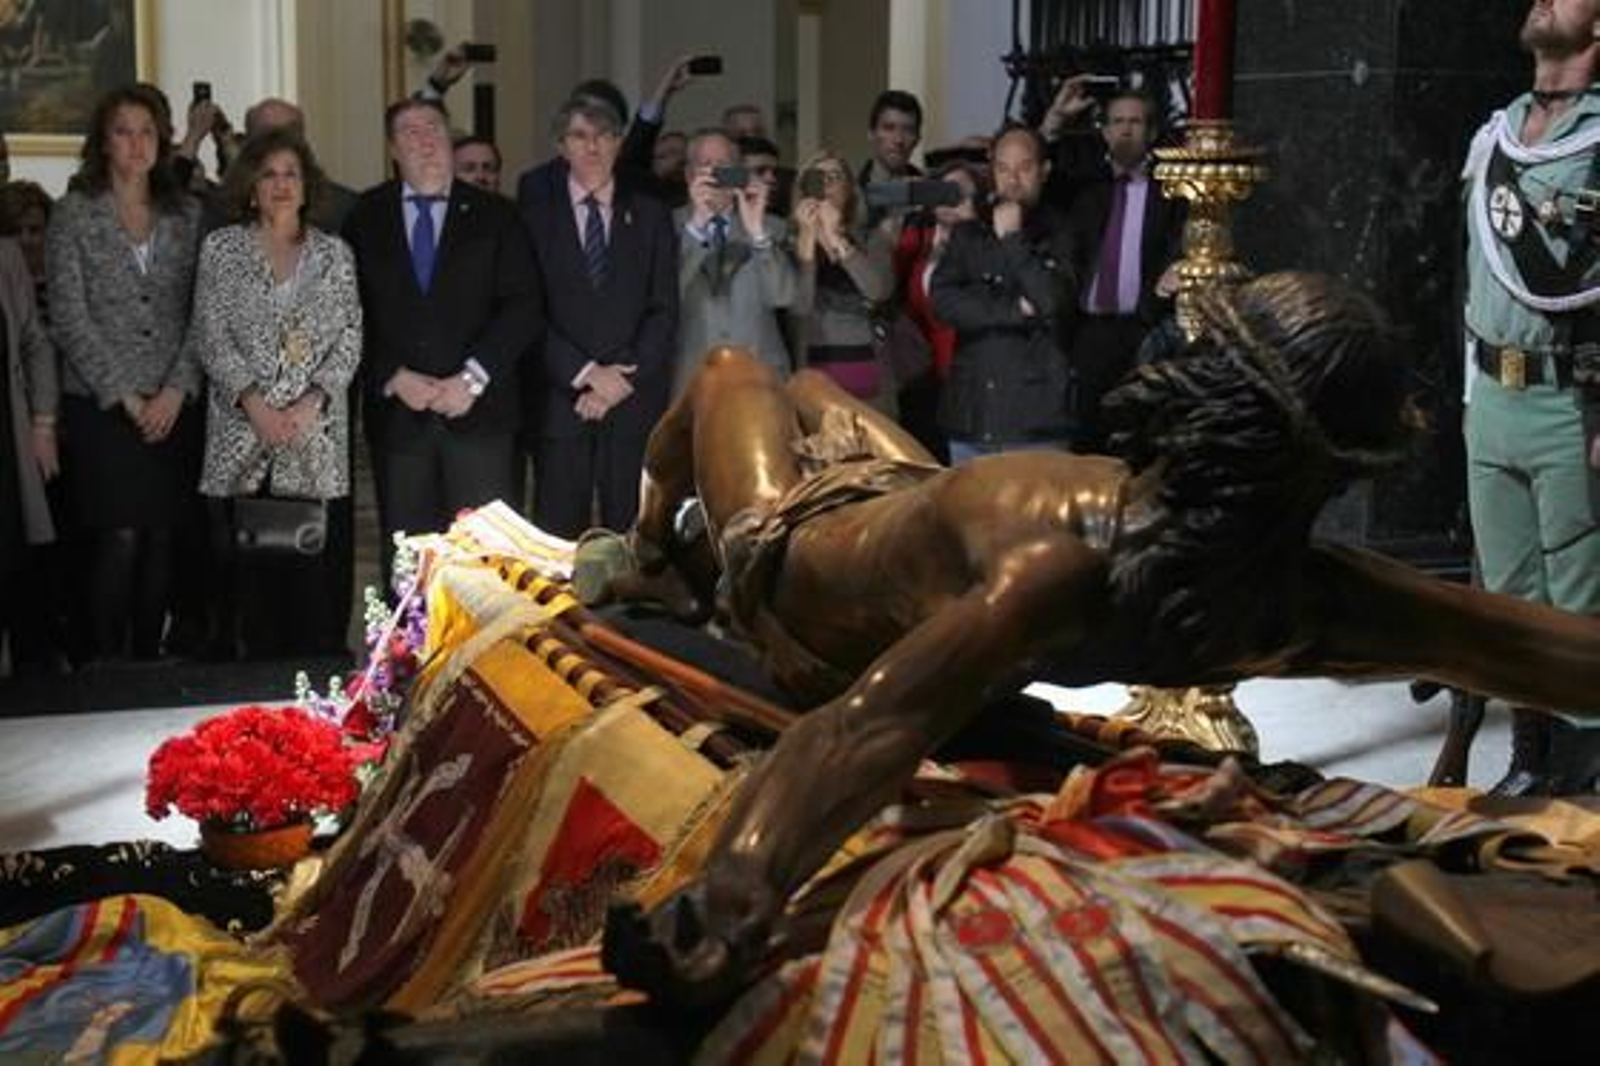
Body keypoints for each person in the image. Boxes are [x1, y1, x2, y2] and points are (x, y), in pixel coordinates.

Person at [592, 271, 1600, 1005]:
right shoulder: (1307, 600)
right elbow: (1534, 647)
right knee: (812, 396)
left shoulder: (1060, 565)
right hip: (883, 531)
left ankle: (646, 545)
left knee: (734, 370)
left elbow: (861, 730)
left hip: (799, 591)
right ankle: (653, 552)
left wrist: (725, 908)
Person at [1461, 0, 1600, 796]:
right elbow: (1471, 272)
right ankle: (1530, 757)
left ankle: (1585, 770)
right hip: (1497, 393)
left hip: (1570, 403)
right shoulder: (1499, 131)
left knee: (1578, 598)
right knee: (1510, 596)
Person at [344, 98, 538, 588]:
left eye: (433, 128)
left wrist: (471, 378)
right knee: (409, 565)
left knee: (486, 565)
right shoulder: (365, 217)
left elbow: (523, 306)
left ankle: (487, 664)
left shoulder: (498, 216)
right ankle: (410, 663)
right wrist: (391, 373)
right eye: (410, 132)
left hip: (480, 415)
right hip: (400, 419)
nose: (425, 140)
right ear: (392, 148)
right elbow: (348, 310)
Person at [47, 84, 203, 661]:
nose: (137, 144)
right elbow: (68, 314)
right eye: (123, 131)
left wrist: (176, 389)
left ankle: (148, 664)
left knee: (163, 536)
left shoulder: (187, 213)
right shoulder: (74, 211)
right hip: (102, 406)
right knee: (118, 535)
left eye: (147, 130)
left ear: (162, 138)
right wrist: (124, 397)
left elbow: (204, 311)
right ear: (102, 143)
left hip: (172, 401)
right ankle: (105, 667)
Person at [193, 129, 361, 658]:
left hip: (312, 437)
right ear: (250, 187)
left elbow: (351, 339)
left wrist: (311, 403)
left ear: (307, 186)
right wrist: (256, 405)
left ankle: (307, 695)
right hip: (243, 434)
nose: (281, 184)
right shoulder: (221, 249)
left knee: (310, 582)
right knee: (246, 582)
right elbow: (210, 333)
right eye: (268, 174)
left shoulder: (335, 255)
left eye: (291, 173)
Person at [519, 94, 677, 539]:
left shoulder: (650, 214)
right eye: (580, 136)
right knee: (557, 538)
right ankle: (565, 614)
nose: (593, 147)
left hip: (632, 399)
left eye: (605, 136)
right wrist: (586, 373)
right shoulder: (533, 218)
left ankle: (626, 613)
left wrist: (620, 380)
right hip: (560, 399)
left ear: (619, 143)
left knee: (632, 537)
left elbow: (664, 309)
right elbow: (526, 311)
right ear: (561, 146)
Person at [931, 124, 1077, 461]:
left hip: (1034, 423)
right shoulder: (970, 232)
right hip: (971, 418)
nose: (1012, 179)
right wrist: (1014, 310)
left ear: (1044, 171)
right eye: (1002, 168)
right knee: (967, 515)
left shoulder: (1062, 230)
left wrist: (1012, 239)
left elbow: (1053, 302)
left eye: (1024, 168)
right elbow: (943, 301)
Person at [1062, 89, 1185, 453]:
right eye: (1117, 122)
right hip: (1090, 333)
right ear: (1104, 132)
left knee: (1139, 439)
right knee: (1087, 441)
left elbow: (1179, 249)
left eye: (1135, 122)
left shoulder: (1171, 194)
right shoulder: (1085, 190)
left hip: (1143, 329)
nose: (1126, 131)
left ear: (1151, 131)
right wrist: (1056, 122)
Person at [673, 129, 794, 395]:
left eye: (724, 166)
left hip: (762, 379)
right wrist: (695, 228)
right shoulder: (667, 227)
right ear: (688, 174)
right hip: (693, 381)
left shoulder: (772, 226)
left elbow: (783, 296)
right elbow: (665, 297)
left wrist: (758, 234)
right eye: (706, 165)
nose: (715, 174)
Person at [889, 160, 987, 462]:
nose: (950, 199)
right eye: (943, 191)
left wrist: (969, 230)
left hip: (970, 376)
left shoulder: (988, 240)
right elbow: (887, 286)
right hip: (920, 375)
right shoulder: (918, 236)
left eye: (960, 193)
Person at [790, 149, 895, 413]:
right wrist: (807, 240)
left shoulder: (873, 239)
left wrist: (838, 238)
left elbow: (878, 291)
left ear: (849, 189)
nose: (826, 184)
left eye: (835, 177)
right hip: (814, 378)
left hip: (868, 376)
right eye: (818, 177)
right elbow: (799, 306)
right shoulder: (789, 240)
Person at [0, 232, 57, 675]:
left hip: (8, 429)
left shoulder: (7, 255)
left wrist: (42, 423)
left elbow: (34, 343)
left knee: (15, 554)